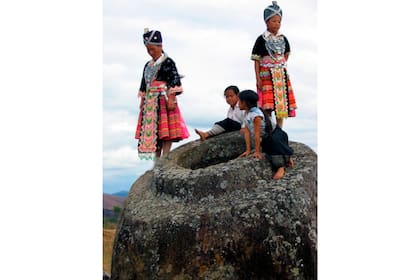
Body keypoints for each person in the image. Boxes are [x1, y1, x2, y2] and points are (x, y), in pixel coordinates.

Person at [135, 29, 189, 160]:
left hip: (163, 98)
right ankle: (156, 157)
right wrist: (142, 101)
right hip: (150, 101)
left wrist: (171, 98)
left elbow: (174, 80)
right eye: (148, 50)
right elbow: (144, 84)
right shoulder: (148, 65)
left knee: (166, 129)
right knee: (154, 130)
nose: (150, 52)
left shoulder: (168, 62)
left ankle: (165, 155)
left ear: (160, 46)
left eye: (152, 49)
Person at [251, 1, 297, 128]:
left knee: (281, 104)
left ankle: (279, 129)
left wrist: (278, 64)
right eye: (273, 21)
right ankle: (269, 128)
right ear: (266, 22)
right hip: (266, 75)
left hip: (280, 75)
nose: (277, 24)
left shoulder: (283, 39)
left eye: (279, 21)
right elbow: (256, 60)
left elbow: (286, 54)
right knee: (267, 105)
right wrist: (258, 77)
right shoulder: (261, 39)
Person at [238, 90, 294, 180]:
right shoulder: (246, 113)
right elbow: (247, 132)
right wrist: (248, 150)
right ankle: (287, 158)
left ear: (244, 102)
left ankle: (281, 167)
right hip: (267, 138)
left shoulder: (256, 115)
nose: (238, 104)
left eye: (239, 101)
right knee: (268, 151)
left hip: (276, 136)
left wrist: (257, 151)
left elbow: (257, 134)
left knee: (274, 154)